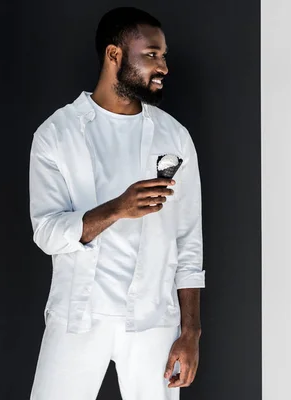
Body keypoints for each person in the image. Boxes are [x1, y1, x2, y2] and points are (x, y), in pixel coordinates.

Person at [28, 7, 204, 400]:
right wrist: (117, 208)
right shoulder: (57, 134)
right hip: (77, 317)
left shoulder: (174, 136)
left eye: (163, 55)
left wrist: (190, 333)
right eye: (152, 55)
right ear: (114, 55)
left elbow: (189, 242)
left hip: (154, 322)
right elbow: (47, 233)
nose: (164, 67)